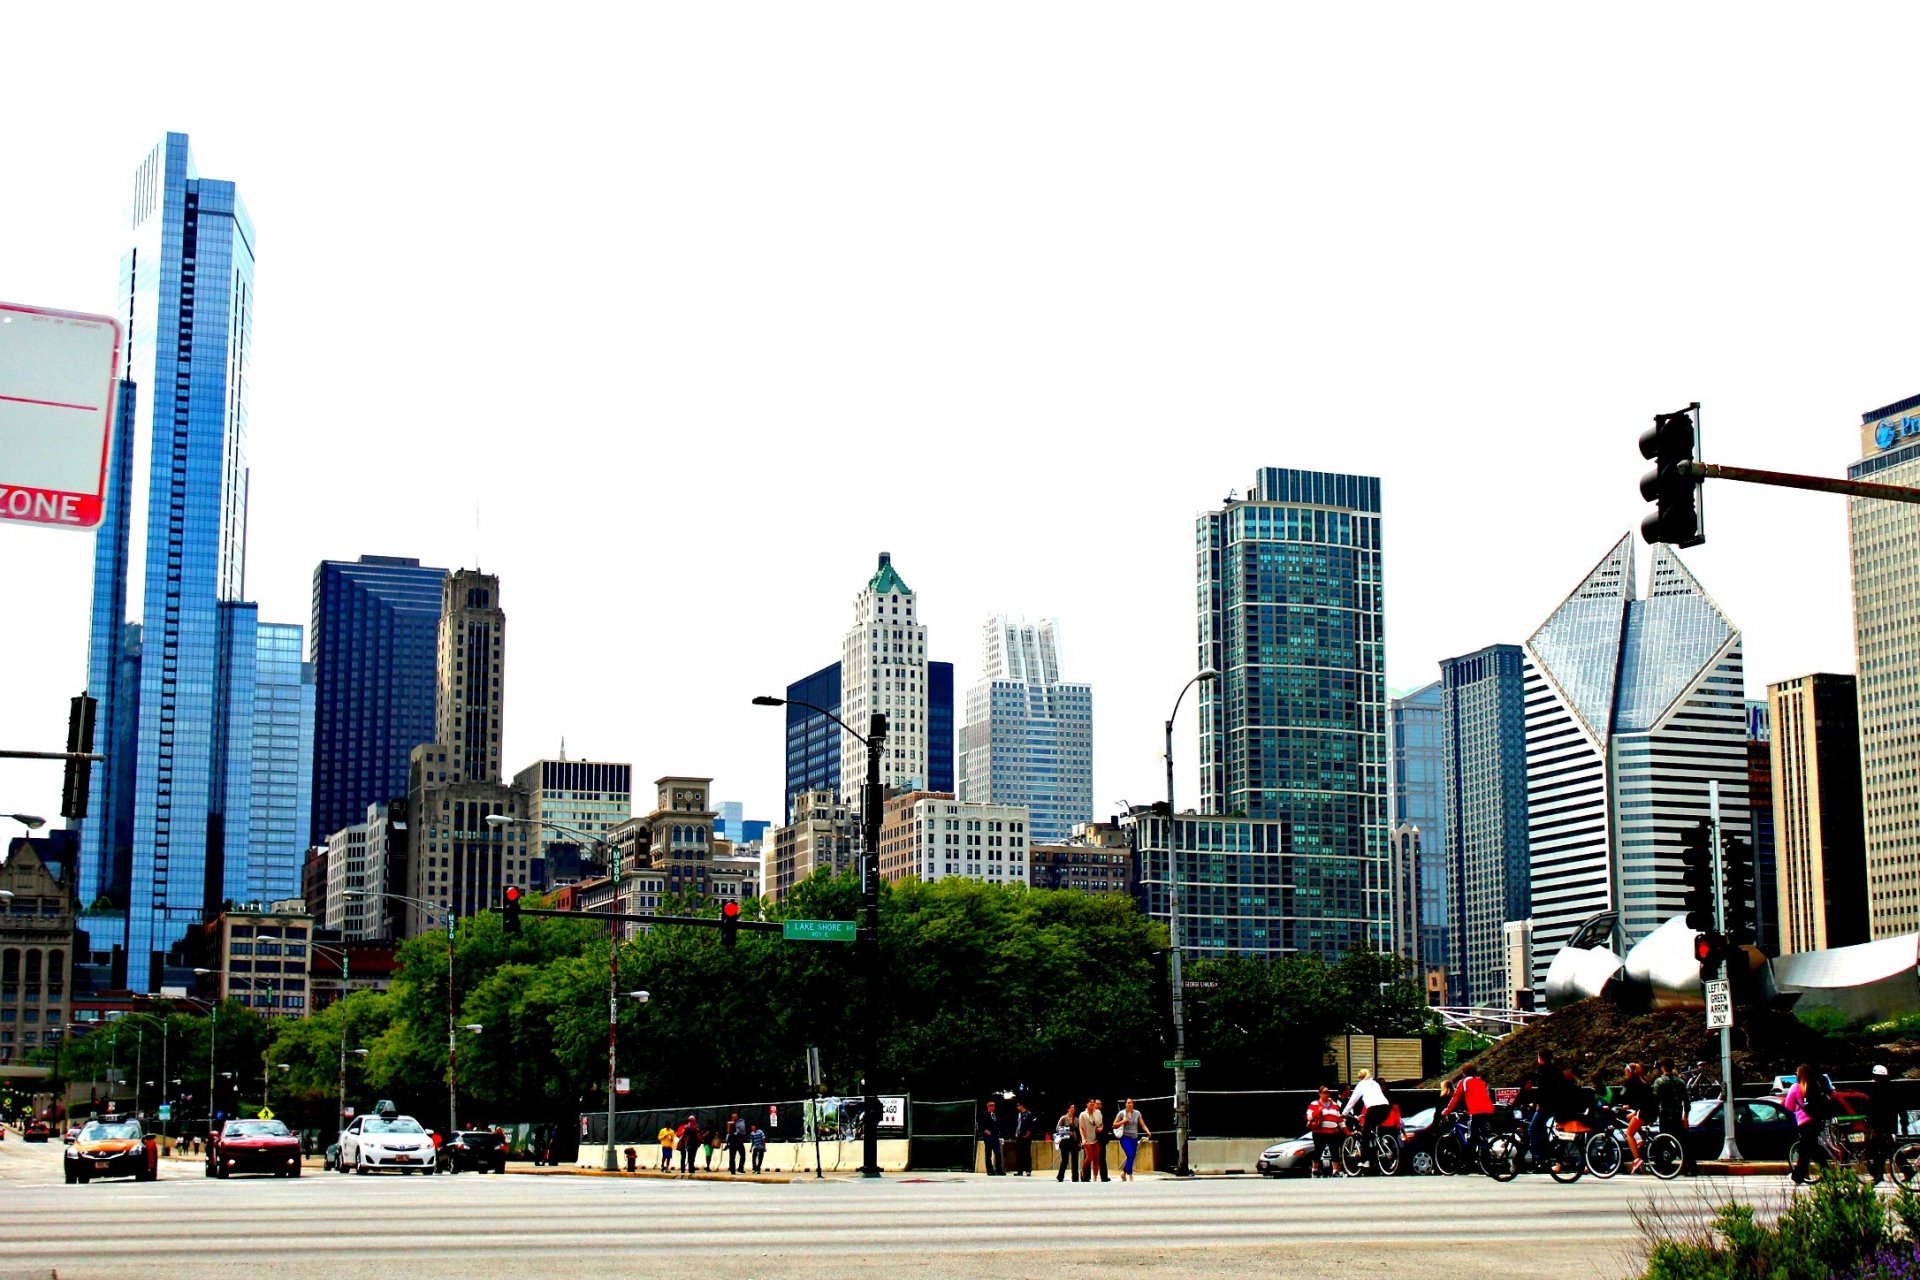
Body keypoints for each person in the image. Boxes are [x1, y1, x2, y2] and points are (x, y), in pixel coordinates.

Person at [1783, 1062, 1830, 1184]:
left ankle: (1798, 1176)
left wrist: (1798, 1109)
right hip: (1816, 1120)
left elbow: (1788, 1106)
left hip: (1804, 1123)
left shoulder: (1796, 1087)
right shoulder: (1815, 1085)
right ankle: (1826, 1173)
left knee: (1805, 1151)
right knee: (1811, 1149)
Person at [1440, 1063, 1496, 1155]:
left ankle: (1473, 1155)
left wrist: (1446, 1112)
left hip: (1477, 1111)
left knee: (1472, 1137)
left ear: (1464, 1074)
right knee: (1480, 1133)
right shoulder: (1481, 1081)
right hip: (1489, 1110)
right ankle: (1484, 1154)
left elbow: (1455, 1099)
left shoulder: (1464, 1082)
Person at [1342, 1069, 1391, 1171]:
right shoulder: (1375, 1083)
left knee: (1365, 1133)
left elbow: (1352, 1101)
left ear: (1360, 1077)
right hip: (1386, 1107)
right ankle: (1381, 1141)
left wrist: (1344, 1114)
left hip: (1373, 1108)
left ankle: (1365, 1160)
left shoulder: (1361, 1084)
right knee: (1373, 1127)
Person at [1619, 1064, 1654, 1173]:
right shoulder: (1645, 1081)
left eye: (1626, 1071)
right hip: (1651, 1111)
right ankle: (1643, 1139)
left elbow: (1623, 1096)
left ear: (1630, 1072)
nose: (1625, 1073)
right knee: (1630, 1117)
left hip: (1643, 1111)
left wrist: (1625, 1105)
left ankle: (1637, 1159)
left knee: (1629, 1133)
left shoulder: (1630, 1083)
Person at [1867, 1065, 1897, 1182]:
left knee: (1877, 1150)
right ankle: (1908, 1170)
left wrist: (1871, 1125)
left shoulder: (1877, 1091)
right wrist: (1904, 1124)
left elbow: (1873, 1111)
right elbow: (1900, 1108)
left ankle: (1878, 1175)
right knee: (1888, 1150)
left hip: (1880, 1126)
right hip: (1889, 1126)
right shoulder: (1892, 1090)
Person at [1306, 1086, 1345, 1177]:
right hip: (1319, 1132)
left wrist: (1344, 1129)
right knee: (1318, 1150)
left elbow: (1339, 1118)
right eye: (1324, 1092)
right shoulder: (1314, 1104)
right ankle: (1315, 1169)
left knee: (1334, 1151)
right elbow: (1309, 1117)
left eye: (1328, 1092)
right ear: (1319, 1093)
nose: (1327, 1094)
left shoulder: (1334, 1104)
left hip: (1333, 1132)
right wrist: (1318, 1111)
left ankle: (1335, 1171)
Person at [1111, 1097, 1152, 1181]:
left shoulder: (1137, 1113)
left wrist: (1147, 1131)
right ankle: (1130, 1174)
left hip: (1134, 1137)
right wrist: (1123, 1121)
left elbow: (1142, 1124)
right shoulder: (1121, 1113)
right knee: (1130, 1154)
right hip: (1125, 1137)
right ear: (1125, 1104)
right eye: (1128, 1103)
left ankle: (1124, 1173)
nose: (1130, 1104)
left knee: (1132, 1156)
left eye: (1131, 1103)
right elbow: (1114, 1125)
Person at [1076, 1099, 1104, 1182]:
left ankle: (1095, 1177)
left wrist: (1101, 1128)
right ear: (1087, 1104)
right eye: (1090, 1102)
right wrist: (1083, 1139)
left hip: (1096, 1138)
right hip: (1087, 1139)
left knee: (1097, 1158)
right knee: (1089, 1157)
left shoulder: (1098, 1113)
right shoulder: (1083, 1115)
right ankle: (1082, 1170)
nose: (1092, 1104)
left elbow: (1101, 1124)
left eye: (1093, 1102)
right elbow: (1080, 1128)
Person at [1055, 1102, 1080, 1182]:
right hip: (1065, 1141)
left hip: (1074, 1141)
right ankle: (1060, 1176)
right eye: (1071, 1107)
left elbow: (1078, 1131)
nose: (1073, 1109)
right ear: (1068, 1109)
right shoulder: (1064, 1118)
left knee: (1075, 1160)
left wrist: (1079, 1141)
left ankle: (1075, 1177)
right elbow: (1057, 1128)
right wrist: (1067, 1131)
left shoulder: (1076, 1119)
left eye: (1074, 1107)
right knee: (1065, 1160)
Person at [1009, 1101, 1034, 1176]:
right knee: (1019, 1154)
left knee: (1026, 1153)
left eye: (1018, 1106)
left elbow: (1030, 1125)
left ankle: (1028, 1170)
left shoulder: (1028, 1114)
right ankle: (1020, 1170)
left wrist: (1027, 1134)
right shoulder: (1019, 1115)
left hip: (1025, 1136)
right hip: (1018, 1136)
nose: (1017, 1107)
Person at [980, 1099, 1004, 1176]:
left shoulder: (996, 1115)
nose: (993, 1107)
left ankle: (999, 1170)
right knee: (988, 1153)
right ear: (988, 1106)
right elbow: (981, 1125)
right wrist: (985, 1131)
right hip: (988, 1136)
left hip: (995, 1136)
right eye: (991, 1105)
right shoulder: (984, 1115)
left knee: (998, 1153)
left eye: (994, 1105)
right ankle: (990, 1170)